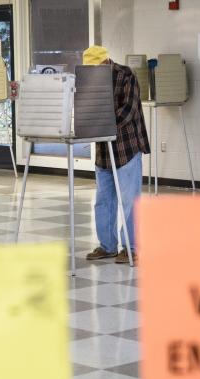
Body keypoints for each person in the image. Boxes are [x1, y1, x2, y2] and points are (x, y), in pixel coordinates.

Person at [82, 45, 149, 265]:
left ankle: (131, 248)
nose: (93, 73)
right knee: (103, 201)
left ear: (106, 62)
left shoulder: (126, 75)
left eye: (96, 68)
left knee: (130, 200)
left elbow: (128, 111)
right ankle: (107, 246)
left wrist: (101, 123)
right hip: (103, 150)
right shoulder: (88, 80)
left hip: (126, 147)